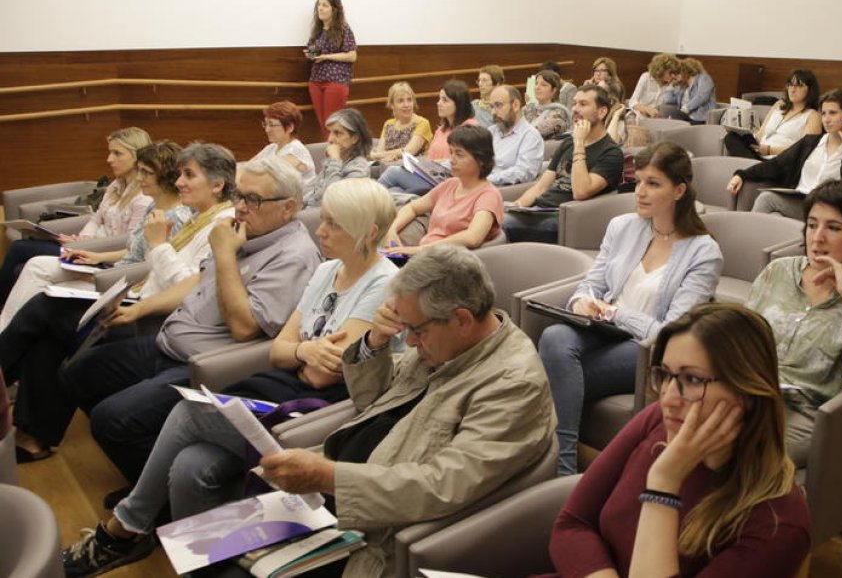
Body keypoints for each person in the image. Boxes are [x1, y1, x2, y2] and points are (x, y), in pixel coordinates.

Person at [62, 245, 555, 578]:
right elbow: (372, 402)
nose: (413, 340)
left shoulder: (511, 383)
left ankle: (127, 534)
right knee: (200, 545)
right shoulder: (443, 343)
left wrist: (329, 477)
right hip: (337, 490)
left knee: (226, 565)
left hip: (372, 524)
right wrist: (377, 341)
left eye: (417, 330)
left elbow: (443, 485)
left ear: (463, 319)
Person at [61, 157, 321, 484]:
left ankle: (158, 502)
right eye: (238, 196)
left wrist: (225, 254)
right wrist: (141, 309)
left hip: (201, 364)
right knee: (78, 372)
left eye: (252, 200)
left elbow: (245, 328)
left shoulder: (293, 255)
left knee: (112, 420)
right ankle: (148, 472)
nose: (240, 207)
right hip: (166, 344)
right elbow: (199, 280)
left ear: (289, 207)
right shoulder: (242, 231)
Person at [0, 142, 238, 463]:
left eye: (188, 175)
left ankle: (22, 409)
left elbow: (191, 287)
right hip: (138, 299)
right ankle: (34, 436)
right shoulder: (198, 216)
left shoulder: (223, 225)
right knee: (47, 328)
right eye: (180, 173)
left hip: (156, 319)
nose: (179, 181)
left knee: (46, 308)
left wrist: (158, 245)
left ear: (217, 184)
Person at [546, 304, 810, 577]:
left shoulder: (777, 524)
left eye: (693, 379)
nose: (669, 399)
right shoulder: (657, 420)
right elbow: (572, 523)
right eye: (666, 375)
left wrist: (663, 486)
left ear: (747, 392)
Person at [538, 142, 723, 474]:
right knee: (554, 336)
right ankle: (564, 467)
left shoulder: (703, 252)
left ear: (679, 190)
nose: (640, 191)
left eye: (653, 183)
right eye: (638, 181)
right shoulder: (622, 226)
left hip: (645, 348)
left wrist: (615, 312)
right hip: (602, 332)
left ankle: (557, 467)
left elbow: (671, 333)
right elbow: (591, 284)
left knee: (547, 374)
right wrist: (581, 301)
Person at [744, 179, 842, 464]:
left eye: (834, 228)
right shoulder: (778, 272)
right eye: (812, 225)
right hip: (750, 393)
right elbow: (741, 337)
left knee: (738, 451)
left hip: (804, 413)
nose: (817, 237)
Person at [220, 178, 399, 406]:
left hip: (322, 405)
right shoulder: (326, 269)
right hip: (288, 387)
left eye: (333, 224)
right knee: (196, 434)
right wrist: (305, 351)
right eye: (323, 220)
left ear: (369, 233)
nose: (320, 231)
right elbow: (276, 352)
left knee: (190, 418)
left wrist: (294, 353)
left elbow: (321, 377)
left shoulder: (384, 283)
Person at [0, 141, 193, 330]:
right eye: (140, 170)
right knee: (36, 264)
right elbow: (134, 249)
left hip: (126, 283)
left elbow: (153, 267)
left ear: (166, 176)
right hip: (116, 270)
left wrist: (97, 276)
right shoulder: (154, 204)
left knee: (42, 286)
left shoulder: (175, 218)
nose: (139, 177)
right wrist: (96, 257)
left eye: (146, 173)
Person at [0, 127, 152, 312]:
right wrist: (82, 239)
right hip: (87, 246)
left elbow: (129, 243)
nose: (109, 159)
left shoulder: (143, 198)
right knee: (20, 265)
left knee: (19, 249)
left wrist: (86, 246)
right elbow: (96, 219)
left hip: (101, 257)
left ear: (136, 156)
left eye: (117, 153)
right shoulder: (116, 185)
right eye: (110, 152)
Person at [502, 84, 625, 244]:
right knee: (485, 214)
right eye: (574, 103)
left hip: (565, 218)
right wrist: (516, 205)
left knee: (499, 223)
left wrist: (580, 142)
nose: (574, 109)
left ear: (602, 112)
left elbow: (581, 192)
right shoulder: (568, 143)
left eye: (583, 104)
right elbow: (541, 187)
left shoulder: (611, 153)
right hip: (539, 210)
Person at [726, 89, 842, 219]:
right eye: (823, 113)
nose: (826, 119)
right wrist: (742, 175)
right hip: (801, 202)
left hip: (830, 210)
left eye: (832, 113)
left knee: (767, 200)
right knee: (773, 212)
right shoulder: (810, 142)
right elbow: (777, 164)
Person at [382, 125, 505, 252]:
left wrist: (420, 250)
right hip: (426, 255)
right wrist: (392, 230)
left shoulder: (488, 195)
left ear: (481, 160)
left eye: (459, 154)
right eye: (451, 152)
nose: (451, 160)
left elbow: (473, 237)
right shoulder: (450, 184)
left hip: (449, 262)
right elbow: (413, 208)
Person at [377, 80, 478, 197]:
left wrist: (430, 163)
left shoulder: (469, 127)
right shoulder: (441, 129)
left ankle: (363, 201)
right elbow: (430, 157)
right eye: (439, 99)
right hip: (431, 176)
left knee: (392, 172)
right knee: (395, 191)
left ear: (458, 103)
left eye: (444, 100)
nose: (438, 103)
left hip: (449, 180)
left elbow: (463, 161)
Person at [722, 68, 821, 160]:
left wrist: (769, 150)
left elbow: (803, 150)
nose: (792, 89)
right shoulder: (779, 105)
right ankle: (753, 167)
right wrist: (748, 138)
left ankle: (753, 169)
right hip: (759, 152)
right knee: (731, 137)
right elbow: (761, 133)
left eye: (799, 85)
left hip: (780, 160)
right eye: (790, 84)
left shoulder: (813, 116)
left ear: (810, 90)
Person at [305, 0, 357, 133]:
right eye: (319, 5)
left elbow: (352, 55)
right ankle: (329, 154)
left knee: (332, 125)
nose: (320, 8)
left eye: (325, 5)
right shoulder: (317, 30)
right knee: (323, 125)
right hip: (316, 81)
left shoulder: (343, 29)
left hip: (336, 81)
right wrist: (311, 54)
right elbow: (314, 53)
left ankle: (334, 155)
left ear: (334, 9)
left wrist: (327, 57)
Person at [303, 108, 373, 208]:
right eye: (330, 132)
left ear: (355, 138)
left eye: (337, 133)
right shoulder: (336, 161)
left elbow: (333, 199)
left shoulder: (359, 168)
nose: (330, 139)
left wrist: (335, 160)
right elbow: (312, 189)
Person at [485, 84, 544, 186]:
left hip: (503, 190)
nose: (493, 112)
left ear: (515, 105)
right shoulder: (491, 132)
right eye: (491, 107)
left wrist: (487, 180)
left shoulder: (530, 136)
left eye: (498, 105)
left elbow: (523, 172)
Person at [250, 101, 315, 187]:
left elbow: (270, 178)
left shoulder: (297, 152)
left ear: (290, 127)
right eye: (266, 124)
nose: (267, 130)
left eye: (272, 125)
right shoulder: (272, 147)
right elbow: (247, 167)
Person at [369, 81, 432, 163]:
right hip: (388, 165)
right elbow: (380, 150)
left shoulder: (422, 123)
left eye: (409, 100)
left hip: (414, 169)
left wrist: (376, 155)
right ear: (392, 105)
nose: (406, 105)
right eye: (401, 101)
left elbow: (409, 151)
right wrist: (384, 157)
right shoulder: (388, 124)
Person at [628, 53, 682, 119]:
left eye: (675, 73)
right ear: (661, 70)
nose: (673, 76)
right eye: (670, 73)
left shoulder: (673, 85)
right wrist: (647, 109)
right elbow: (632, 102)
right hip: (640, 117)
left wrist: (677, 85)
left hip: (658, 120)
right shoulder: (646, 77)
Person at [524, 69, 573, 140]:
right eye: (536, 83)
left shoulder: (559, 113)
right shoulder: (529, 107)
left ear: (554, 90)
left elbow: (533, 134)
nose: (537, 87)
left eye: (543, 85)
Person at [671, 57, 716, 124]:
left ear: (686, 71)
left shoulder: (704, 78)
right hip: (687, 116)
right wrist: (671, 85)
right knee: (669, 113)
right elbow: (669, 100)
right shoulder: (684, 84)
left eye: (678, 73)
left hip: (701, 117)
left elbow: (702, 96)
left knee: (674, 116)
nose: (675, 76)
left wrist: (686, 108)